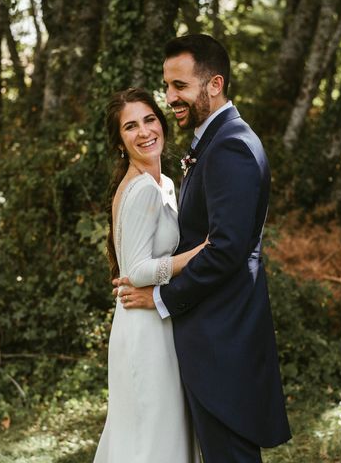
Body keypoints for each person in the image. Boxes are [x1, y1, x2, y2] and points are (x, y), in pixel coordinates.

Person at [117, 34, 292, 462]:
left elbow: (225, 251)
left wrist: (161, 296)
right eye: (168, 86)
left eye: (180, 86)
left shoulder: (230, 146)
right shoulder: (215, 141)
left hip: (223, 339)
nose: (170, 97)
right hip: (213, 338)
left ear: (214, 85)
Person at [93, 88, 204, 463]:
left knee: (158, 430)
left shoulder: (164, 184)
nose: (144, 131)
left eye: (149, 119)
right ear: (120, 142)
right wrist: (200, 253)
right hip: (144, 327)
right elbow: (137, 270)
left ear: (162, 123)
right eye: (130, 126)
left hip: (158, 317)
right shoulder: (141, 189)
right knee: (151, 437)